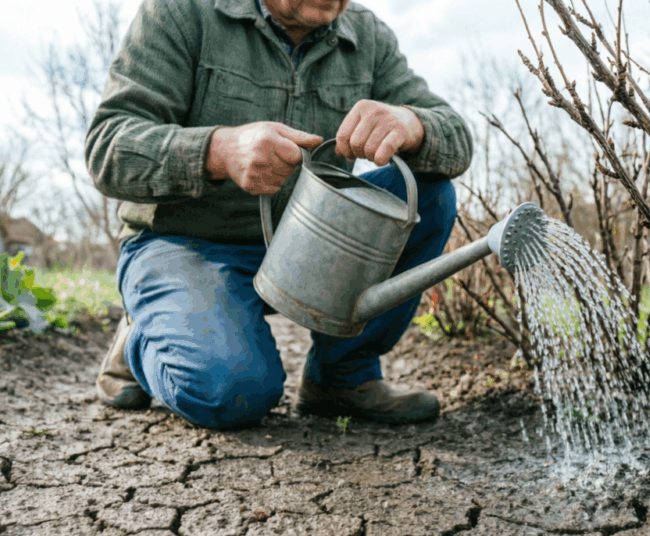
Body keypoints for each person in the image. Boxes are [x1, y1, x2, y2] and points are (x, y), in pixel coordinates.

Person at [86, 0, 473, 429]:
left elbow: (455, 138)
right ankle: (146, 333)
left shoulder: (368, 35)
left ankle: (341, 377)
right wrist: (218, 151)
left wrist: (411, 123)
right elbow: (107, 147)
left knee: (428, 195)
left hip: (309, 241)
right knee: (229, 394)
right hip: (182, 243)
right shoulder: (181, 11)